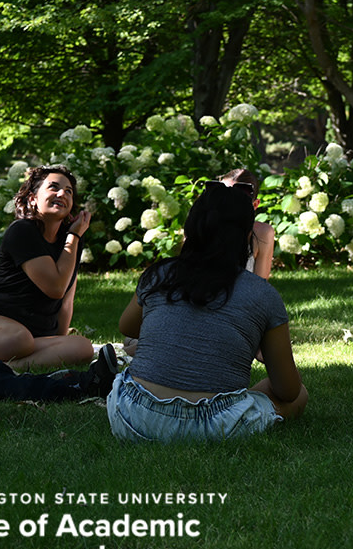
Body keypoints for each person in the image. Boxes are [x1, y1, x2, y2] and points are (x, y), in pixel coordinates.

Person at [108, 183, 308, 443]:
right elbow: (288, 389)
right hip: (214, 426)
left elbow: (128, 327)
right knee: (300, 394)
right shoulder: (262, 294)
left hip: (133, 414)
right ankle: (228, 405)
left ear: (190, 229)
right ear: (247, 236)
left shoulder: (159, 274)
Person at [121, 169, 274, 359]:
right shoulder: (201, 231)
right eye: (220, 194)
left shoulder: (262, 234)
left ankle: (126, 352)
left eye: (234, 197)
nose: (225, 203)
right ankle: (126, 351)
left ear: (254, 204)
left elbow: (259, 287)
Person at [0, 164, 96, 371]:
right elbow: (55, 287)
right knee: (20, 339)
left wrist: (59, 341)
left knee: (83, 347)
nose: (62, 194)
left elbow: (66, 300)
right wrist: (74, 236)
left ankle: (7, 368)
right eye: (54, 187)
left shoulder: (70, 240)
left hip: (36, 336)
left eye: (69, 191)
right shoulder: (22, 231)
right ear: (32, 198)